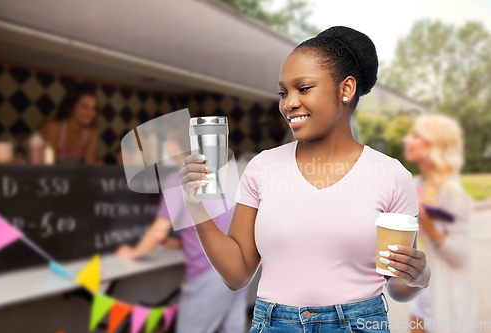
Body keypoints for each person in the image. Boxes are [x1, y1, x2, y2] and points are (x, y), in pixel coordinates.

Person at [179, 26, 431, 333]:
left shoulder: (391, 176)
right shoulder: (263, 167)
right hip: (273, 324)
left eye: (304, 88)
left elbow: (397, 286)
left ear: (346, 89)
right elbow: (237, 275)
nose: (289, 103)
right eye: (283, 92)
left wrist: (418, 277)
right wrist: (194, 207)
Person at [115, 122, 249, 333]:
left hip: (210, 272)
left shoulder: (180, 178)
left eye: (168, 140)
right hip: (240, 265)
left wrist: (132, 253)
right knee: (230, 328)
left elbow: (157, 233)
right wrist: (182, 243)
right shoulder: (220, 173)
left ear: (175, 146)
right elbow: (222, 219)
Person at [403, 114, 477, 333]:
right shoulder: (417, 184)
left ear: (434, 145)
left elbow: (461, 254)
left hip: (446, 299)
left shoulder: (451, 193)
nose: (407, 140)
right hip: (422, 294)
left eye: (415, 136)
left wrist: (429, 225)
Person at [40, 83, 100, 165]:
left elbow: (89, 164)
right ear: (71, 107)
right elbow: (50, 163)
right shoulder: (53, 127)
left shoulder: (91, 133)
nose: (90, 113)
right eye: (84, 107)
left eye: (93, 108)